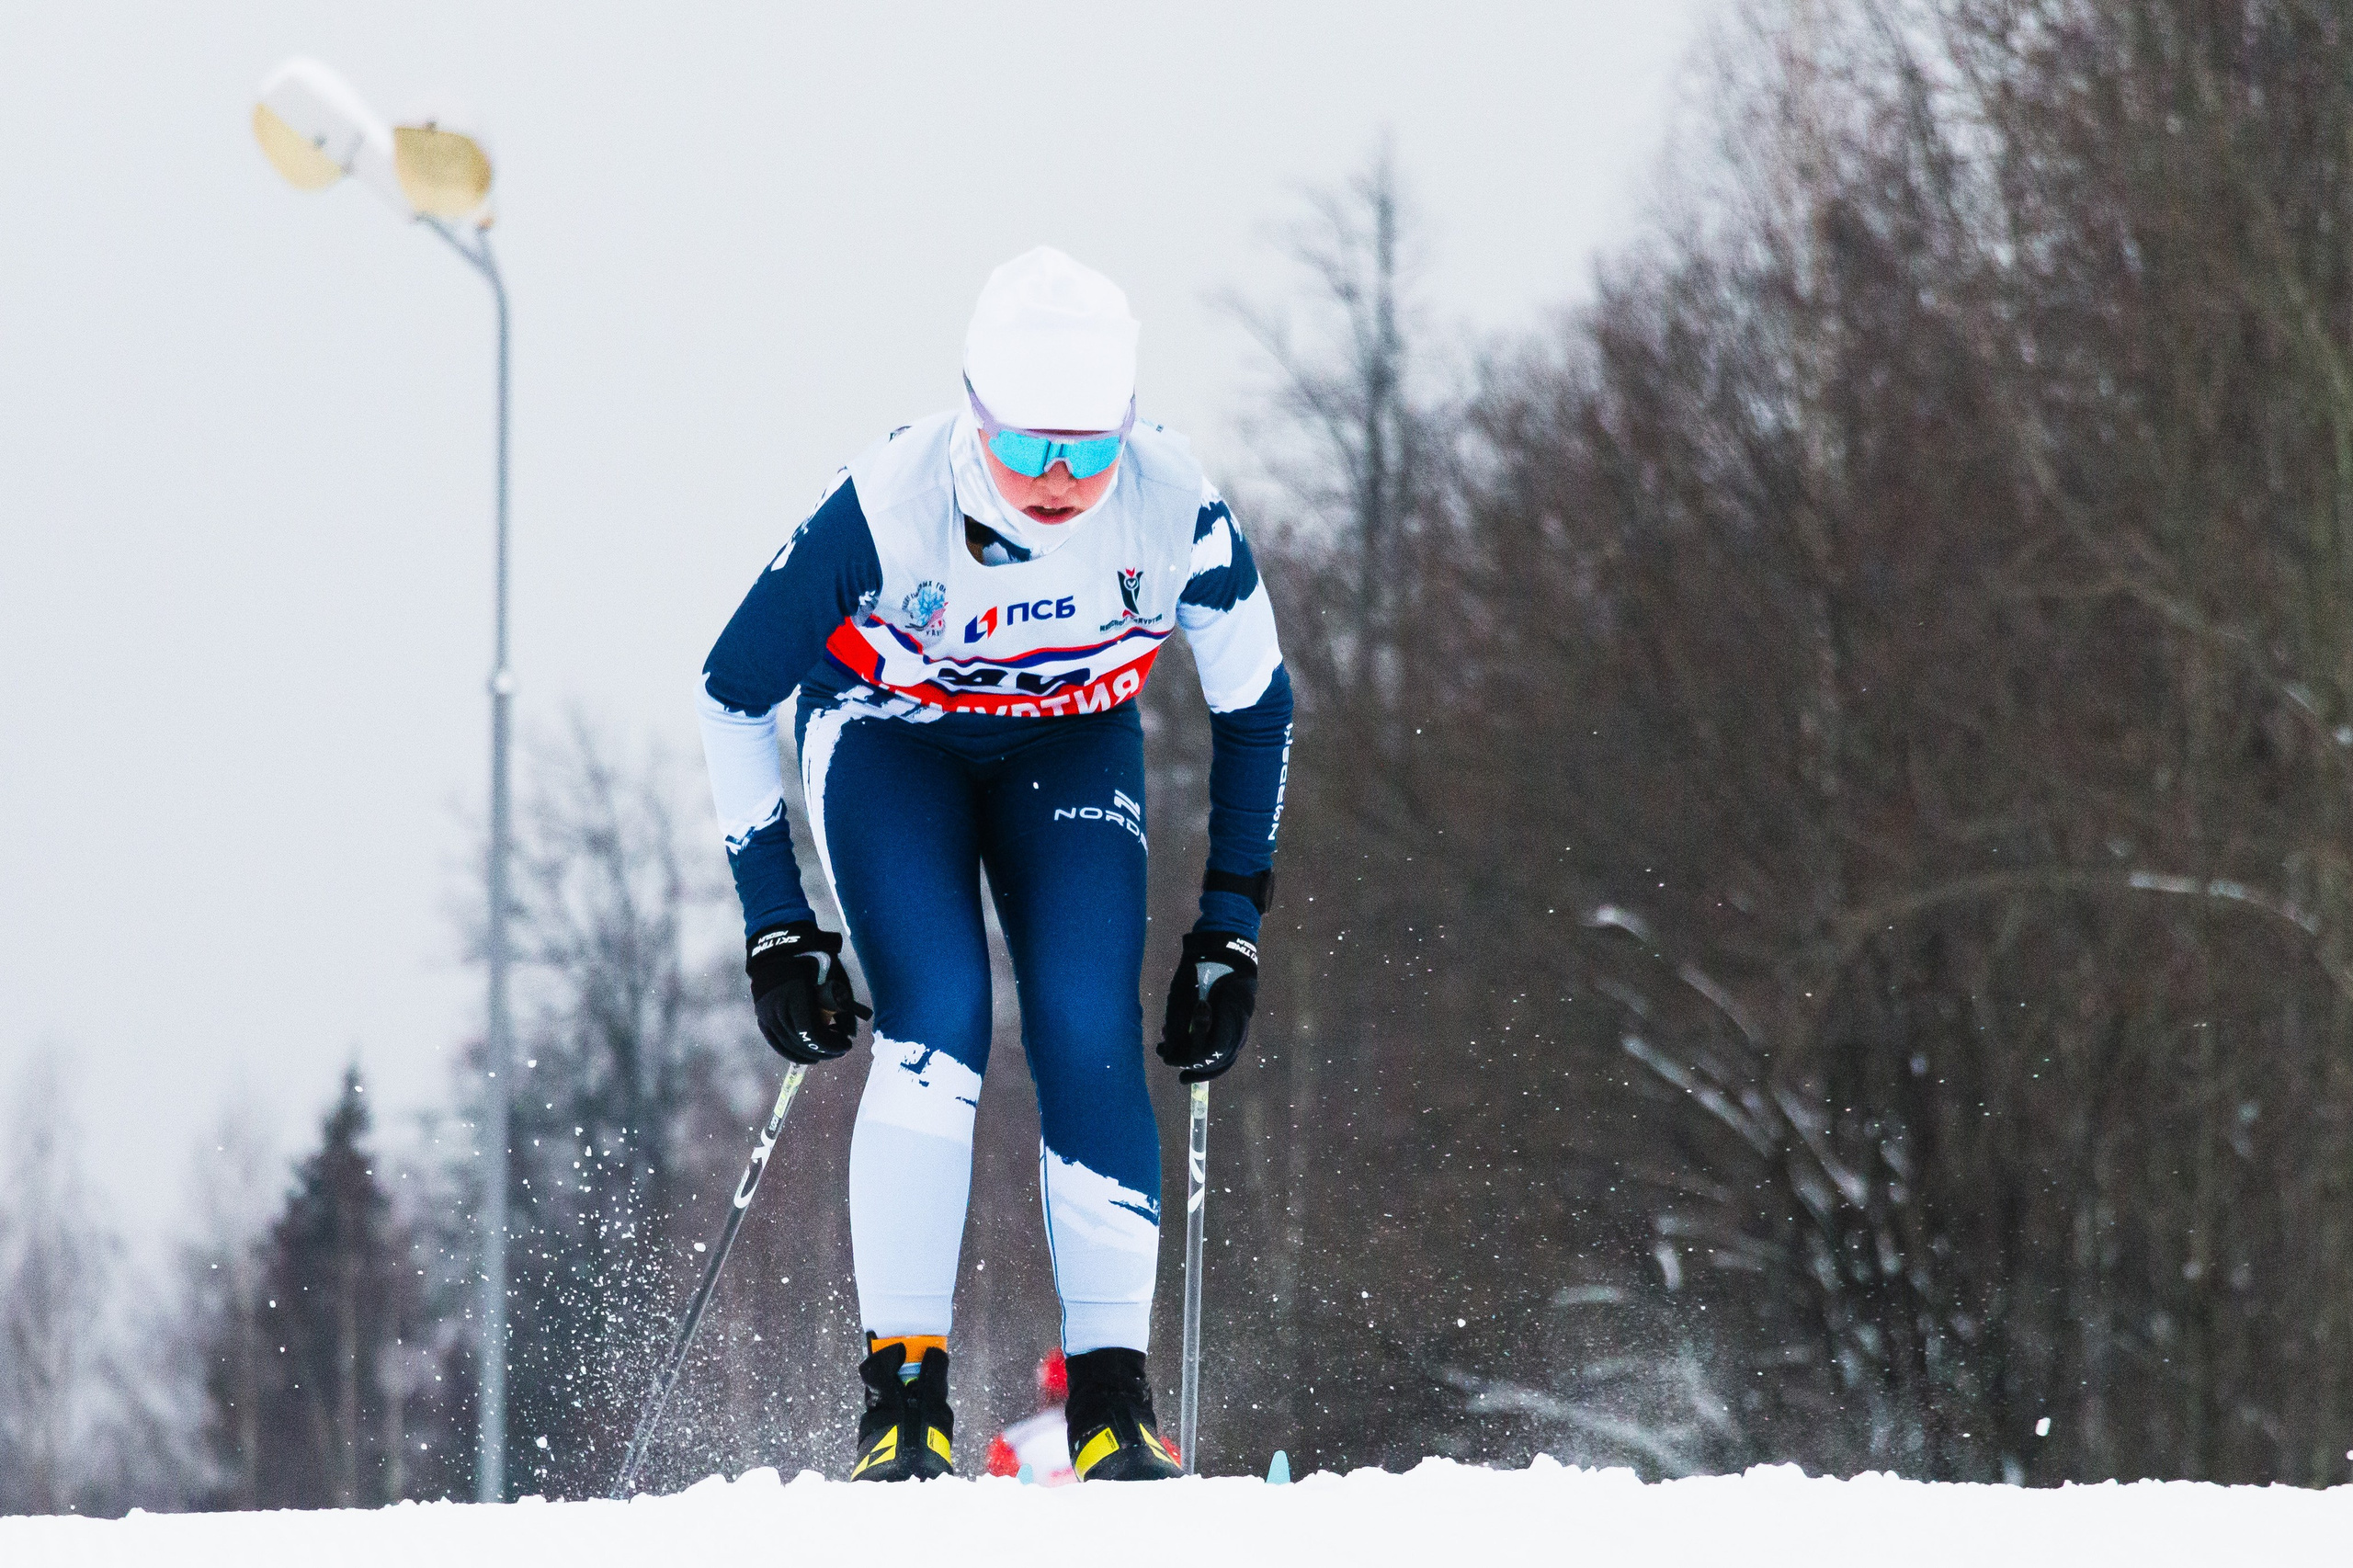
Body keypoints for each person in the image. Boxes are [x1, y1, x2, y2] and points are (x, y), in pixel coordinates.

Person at [695, 246, 1290, 1483]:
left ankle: (1113, 1406)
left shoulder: (1173, 504)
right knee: (941, 1016)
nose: (1063, 482)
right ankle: (904, 1401)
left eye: (1090, 449)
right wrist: (777, 923)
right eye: (1029, 451)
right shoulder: (887, 504)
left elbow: (1258, 706)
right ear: (977, 419)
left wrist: (1230, 924)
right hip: (887, 741)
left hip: (1065, 753)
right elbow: (728, 688)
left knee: (1085, 1021)